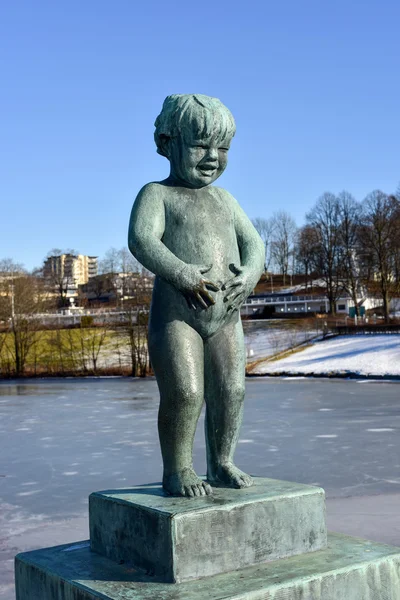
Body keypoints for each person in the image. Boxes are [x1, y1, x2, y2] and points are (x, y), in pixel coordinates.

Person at [128, 94, 265, 497]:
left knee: (231, 390)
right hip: (178, 318)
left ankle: (222, 462)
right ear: (168, 143)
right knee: (186, 394)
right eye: (200, 145)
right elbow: (141, 240)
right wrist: (182, 273)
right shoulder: (158, 194)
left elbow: (254, 243)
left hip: (227, 316)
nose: (212, 156)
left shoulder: (225, 200)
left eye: (222, 148)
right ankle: (178, 469)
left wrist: (252, 273)